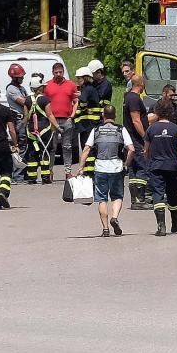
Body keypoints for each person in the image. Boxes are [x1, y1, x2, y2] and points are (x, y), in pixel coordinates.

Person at [78, 105, 134, 237]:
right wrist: (127, 163)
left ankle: (105, 229)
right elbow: (131, 149)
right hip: (117, 167)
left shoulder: (96, 130)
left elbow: (86, 149)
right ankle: (114, 217)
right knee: (117, 196)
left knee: (102, 198)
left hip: (100, 168)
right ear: (114, 116)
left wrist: (81, 168)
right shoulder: (121, 129)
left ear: (103, 116)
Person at [144, 98, 177, 237]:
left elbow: (146, 150)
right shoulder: (175, 129)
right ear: (170, 112)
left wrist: (148, 164)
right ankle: (175, 222)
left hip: (156, 167)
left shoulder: (151, 128)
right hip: (172, 167)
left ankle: (161, 225)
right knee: (173, 194)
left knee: (157, 194)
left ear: (157, 112)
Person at [43, 62, 78, 177]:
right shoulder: (47, 85)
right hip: (52, 120)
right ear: (52, 72)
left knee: (67, 147)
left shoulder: (71, 85)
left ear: (63, 72)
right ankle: (49, 171)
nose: (58, 74)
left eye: (60, 72)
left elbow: (76, 101)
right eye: (56, 72)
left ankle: (68, 172)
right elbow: (43, 102)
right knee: (51, 147)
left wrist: (72, 114)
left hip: (67, 120)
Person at [25, 74, 59, 184]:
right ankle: (45, 177)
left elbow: (26, 117)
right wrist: (58, 127)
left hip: (31, 132)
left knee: (32, 153)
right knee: (45, 152)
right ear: (40, 87)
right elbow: (50, 115)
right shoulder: (45, 100)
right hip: (44, 131)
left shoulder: (27, 100)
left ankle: (32, 178)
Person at [124, 74, 151, 210]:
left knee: (133, 169)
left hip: (131, 138)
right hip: (136, 138)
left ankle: (135, 200)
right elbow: (136, 120)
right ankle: (140, 199)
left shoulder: (128, 97)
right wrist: (145, 136)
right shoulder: (134, 99)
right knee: (141, 167)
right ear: (141, 84)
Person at [73, 67, 101, 175]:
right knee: (89, 147)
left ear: (85, 78)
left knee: (87, 147)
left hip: (88, 124)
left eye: (79, 78)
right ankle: (89, 170)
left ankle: (89, 172)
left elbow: (83, 102)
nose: (78, 81)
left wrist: (79, 110)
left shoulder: (87, 89)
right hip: (90, 123)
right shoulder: (90, 89)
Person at [4, 63, 29, 180]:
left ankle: (24, 173)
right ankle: (17, 175)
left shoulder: (21, 88)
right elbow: (24, 102)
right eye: (21, 76)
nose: (23, 78)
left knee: (26, 146)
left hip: (23, 119)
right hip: (18, 119)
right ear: (15, 77)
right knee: (20, 146)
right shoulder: (11, 89)